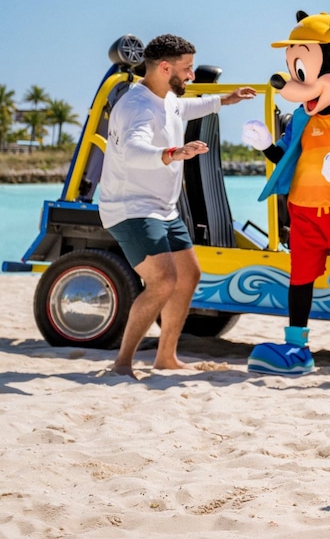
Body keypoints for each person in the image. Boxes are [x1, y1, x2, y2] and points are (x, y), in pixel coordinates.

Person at [100, 34, 255, 377]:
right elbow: (133, 151)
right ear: (164, 67)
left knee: (188, 275)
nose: (191, 76)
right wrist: (172, 154)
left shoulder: (164, 96)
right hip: (131, 208)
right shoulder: (137, 107)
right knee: (163, 281)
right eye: (186, 69)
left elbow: (186, 107)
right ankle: (123, 362)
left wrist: (225, 100)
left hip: (163, 208)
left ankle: (166, 357)